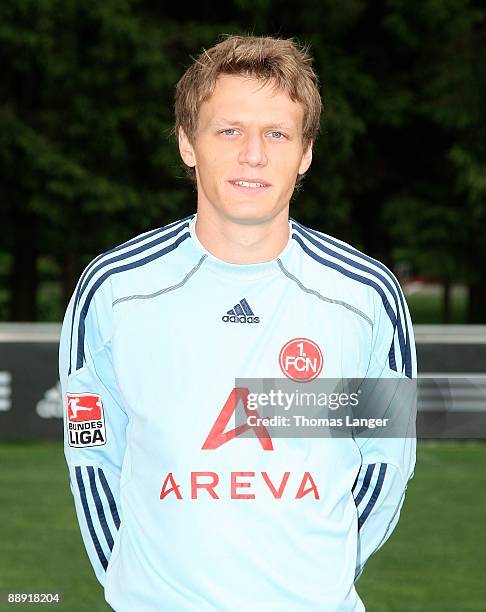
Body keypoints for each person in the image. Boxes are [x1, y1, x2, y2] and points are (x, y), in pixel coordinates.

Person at [59, 34, 416, 611]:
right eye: (229, 130)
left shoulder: (365, 293)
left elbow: (386, 458)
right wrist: (137, 585)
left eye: (277, 133)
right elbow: (92, 449)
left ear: (305, 153)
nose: (254, 154)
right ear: (187, 144)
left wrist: (319, 578)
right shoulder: (114, 289)